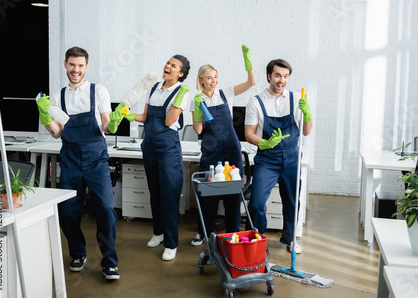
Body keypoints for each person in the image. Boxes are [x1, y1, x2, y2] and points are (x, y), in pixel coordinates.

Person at [36, 46, 123, 280]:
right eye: (72, 65)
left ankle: (109, 262)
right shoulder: (58, 96)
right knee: (67, 211)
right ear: (65, 64)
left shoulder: (98, 91)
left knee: (105, 208)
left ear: (86, 67)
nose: (76, 70)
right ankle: (77, 253)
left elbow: (105, 124)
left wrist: (113, 124)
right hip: (71, 158)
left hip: (96, 159)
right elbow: (56, 132)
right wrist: (45, 117)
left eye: (80, 65)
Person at [189, 45, 256, 246]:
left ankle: (233, 235)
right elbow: (199, 131)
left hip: (232, 151)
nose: (214, 81)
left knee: (232, 195)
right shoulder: (196, 100)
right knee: (208, 195)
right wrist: (200, 109)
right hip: (210, 151)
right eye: (209, 77)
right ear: (201, 80)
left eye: (216, 76)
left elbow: (251, 82)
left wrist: (247, 60)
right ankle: (203, 232)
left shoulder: (226, 93)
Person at [244, 58, 313, 253]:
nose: (281, 80)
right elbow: (249, 133)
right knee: (256, 202)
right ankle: (256, 239)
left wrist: (307, 114)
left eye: (285, 76)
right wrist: (263, 143)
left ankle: (290, 239)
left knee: (291, 201)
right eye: (277, 75)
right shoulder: (256, 102)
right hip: (267, 159)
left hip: (291, 157)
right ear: (269, 76)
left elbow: (306, 132)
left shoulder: (294, 99)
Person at [126, 55, 190, 261]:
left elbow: (169, 119)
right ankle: (158, 233)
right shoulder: (154, 88)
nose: (168, 66)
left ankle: (171, 243)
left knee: (169, 195)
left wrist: (179, 100)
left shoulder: (182, 92)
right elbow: (145, 117)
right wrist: (128, 114)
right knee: (154, 191)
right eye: (167, 63)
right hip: (150, 144)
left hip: (168, 146)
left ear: (180, 73)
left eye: (173, 66)